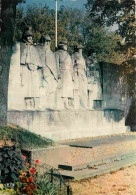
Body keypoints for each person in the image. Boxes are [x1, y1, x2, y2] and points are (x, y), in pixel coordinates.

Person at [20, 27, 42, 109]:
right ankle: (27, 103)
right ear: (25, 37)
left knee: (35, 86)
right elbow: (22, 59)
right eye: (28, 36)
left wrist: (36, 65)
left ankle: (35, 103)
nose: (30, 38)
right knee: (27, 86)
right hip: (26, 68)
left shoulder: (34, 49)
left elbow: (38, 61)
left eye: (31, 36)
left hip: (34, 69)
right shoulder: (23, 47)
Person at [38, 35, 58, 109]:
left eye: (49, 41)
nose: (48, 43)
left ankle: (50, 104)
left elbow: (54, 66)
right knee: (43, 89)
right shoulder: (39, 51)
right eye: (46, 41)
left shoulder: (51, 53)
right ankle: (42, 104)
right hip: (42, 73)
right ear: (43, 41)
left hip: (51, 74)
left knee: (51, 90)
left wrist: (55, 75)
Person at [55, 40, 74, 109]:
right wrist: (58, 73)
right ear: (61, 46)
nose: (66, 46)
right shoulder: (57, 53)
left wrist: (72, 74)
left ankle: (67, 102)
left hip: (68, 73)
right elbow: (56, 64)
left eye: (66, 45)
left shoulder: (68, 54)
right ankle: (63, 102)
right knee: (63, 88)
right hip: (62, 72)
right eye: (64, 45)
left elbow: (71, 65)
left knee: (68, 88)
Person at [72, 44, 88, 109]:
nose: (80, 50)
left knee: (83, 89)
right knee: (76, 89)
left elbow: (85, 67)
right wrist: (73, 74)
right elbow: (72, 65)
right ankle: (76, 105)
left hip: (82, 74)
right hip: (77, 73)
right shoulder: (73, 56)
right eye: (79, 49)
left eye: (81, 49)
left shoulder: (82, 57)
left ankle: (83, 104)